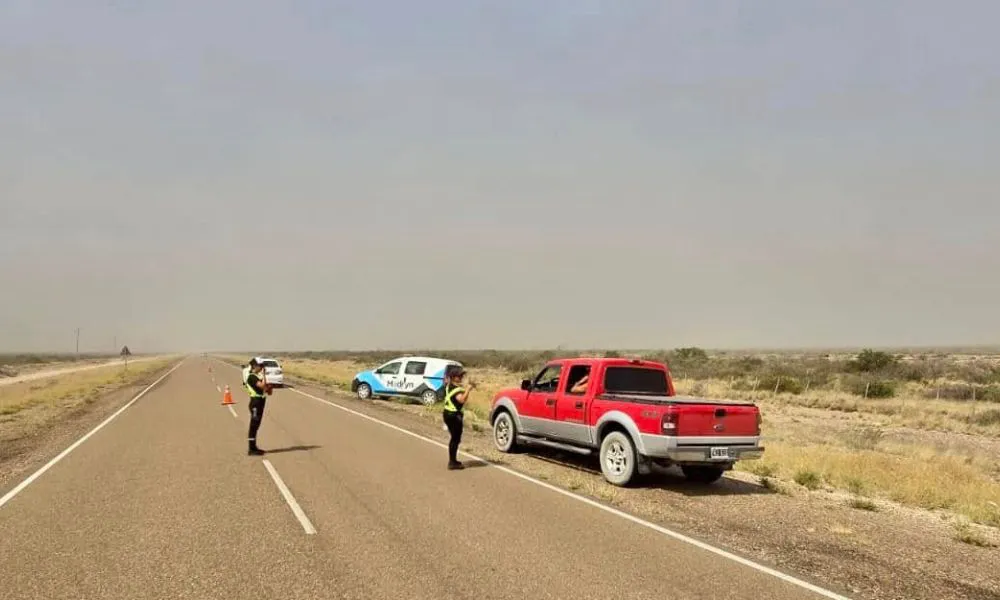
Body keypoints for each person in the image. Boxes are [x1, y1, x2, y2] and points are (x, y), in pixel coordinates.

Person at [441, 364, 475, 470]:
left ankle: (453, 460)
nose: (461, 378)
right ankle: (452, 462)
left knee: (454, 438)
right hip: (454, 416)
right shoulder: (456, 389)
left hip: (448, 413)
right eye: (458, 376)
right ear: (453, 377)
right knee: (455, 439)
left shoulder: (449, 386)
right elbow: (461, 400)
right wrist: (468, 390)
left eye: (461, 376)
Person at [244, 357, 272, 456]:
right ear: (255, 366)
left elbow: (267, 390)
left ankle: (254, 446)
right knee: (253, 426)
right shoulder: (251, 377)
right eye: (260, 366)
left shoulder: (256, 376)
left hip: (260, 402)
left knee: (256, 426)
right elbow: (262, 386)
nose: (262, 368)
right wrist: (264, 375)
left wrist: (268, 388)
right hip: (255, 403)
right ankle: (251, 449)